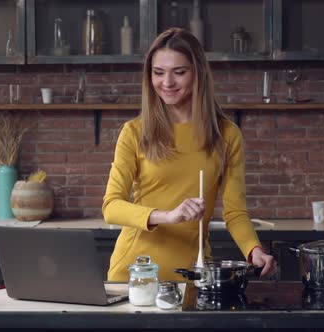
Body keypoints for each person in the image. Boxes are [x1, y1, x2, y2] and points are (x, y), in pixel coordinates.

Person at [102, 28, 277, 282]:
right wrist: (169, 216)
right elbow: (111, 207)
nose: (167, 82)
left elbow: (235, 212)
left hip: (193, 273)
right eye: (158, 73)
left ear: (198, 73)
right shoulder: (135, 132)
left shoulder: (227, 135)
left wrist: (254, 250)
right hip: (134, 274)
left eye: (179, 72)